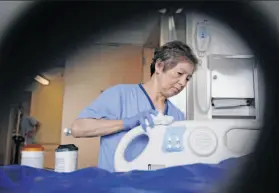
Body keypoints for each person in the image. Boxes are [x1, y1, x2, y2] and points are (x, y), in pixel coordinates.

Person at [71, 40, 198, 172]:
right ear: (159, 66)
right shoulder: (119, 95)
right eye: (179, 74)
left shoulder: (177, 115)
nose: (183, 83)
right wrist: (126, 123)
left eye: (188, 78)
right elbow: (78, 128)